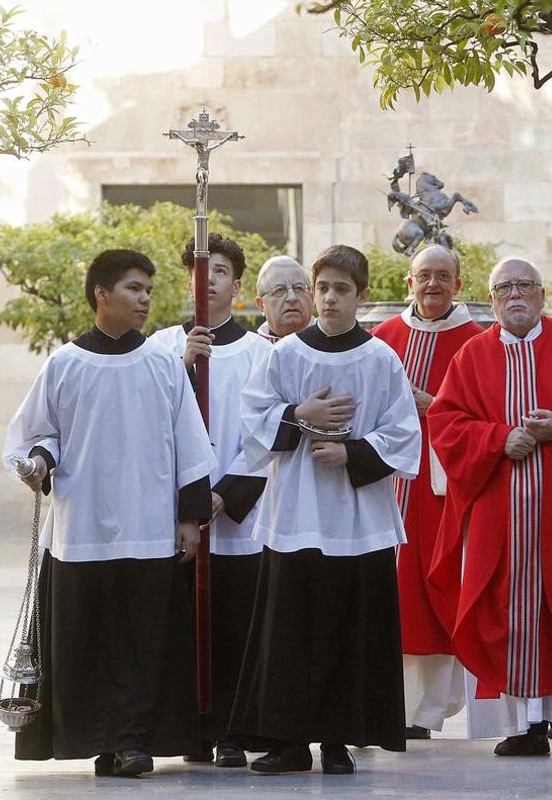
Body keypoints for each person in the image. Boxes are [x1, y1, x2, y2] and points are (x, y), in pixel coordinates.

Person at [3, 249, 216, 777]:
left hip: (147, 529)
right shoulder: (65, 363)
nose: (145, 299)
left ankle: (133, 742)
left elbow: (189, 443)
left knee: (142, 643)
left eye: (147, 289)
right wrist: (37, 461)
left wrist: (189, 518)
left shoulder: (163, 362)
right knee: (88, 644)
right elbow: (37, 433)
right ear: (101, 293)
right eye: (133, 289)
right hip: (83, 529)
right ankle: (99, 741)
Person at [230, 244, 421, 774]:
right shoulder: (286, 355)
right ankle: (289, 742)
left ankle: (339, 739)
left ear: (361, 296)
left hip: (357, 519)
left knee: (350, 629)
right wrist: (298, 414)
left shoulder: (380, 357)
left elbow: (404, 434)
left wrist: (351, 451)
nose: (330, 298)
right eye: (323, 288)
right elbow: (253, 418)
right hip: (295, 513)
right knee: (288, 631)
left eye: (342, 289)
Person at [427, 256, 552, 757]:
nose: (515, 295)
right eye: (504, 287)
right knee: (508, 617)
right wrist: (497, 439)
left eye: (525, 286)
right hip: (500, 517)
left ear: (541, 294)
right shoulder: (471, 356)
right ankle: (523, 727)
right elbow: (446, 423)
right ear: (491, 300)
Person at [148, 233, 272, 767]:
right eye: (201, 272)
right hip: (174, 517)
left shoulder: (259, 352)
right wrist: (181, 364)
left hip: (235, 520)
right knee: (179, 629)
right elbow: (147, 422)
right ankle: (183, 731)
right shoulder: (156, 348)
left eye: (220, 272)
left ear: (237, 285)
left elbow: (266, 435)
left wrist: (222, 495)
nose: (210, 281)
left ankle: (230, 731)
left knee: (233, 627)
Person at [370, 244, 483, 739]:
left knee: (432, 591)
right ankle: (384, 702)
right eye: (424, 276)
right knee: (387, 593)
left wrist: (433, 405)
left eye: (443, 276)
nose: (432, 284)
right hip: (383, 484)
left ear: (459, 285)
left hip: (441, 488)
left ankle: (427, 711)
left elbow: (486, 417)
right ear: (408, 284)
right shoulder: (382, 338)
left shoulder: (478, 342)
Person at [254, 255, 313, 341]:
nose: (292, 298)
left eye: (298, 288)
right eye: (280, 290)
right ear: (261, 305)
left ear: (312, 297)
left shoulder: (333, 346)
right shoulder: (252, 352)